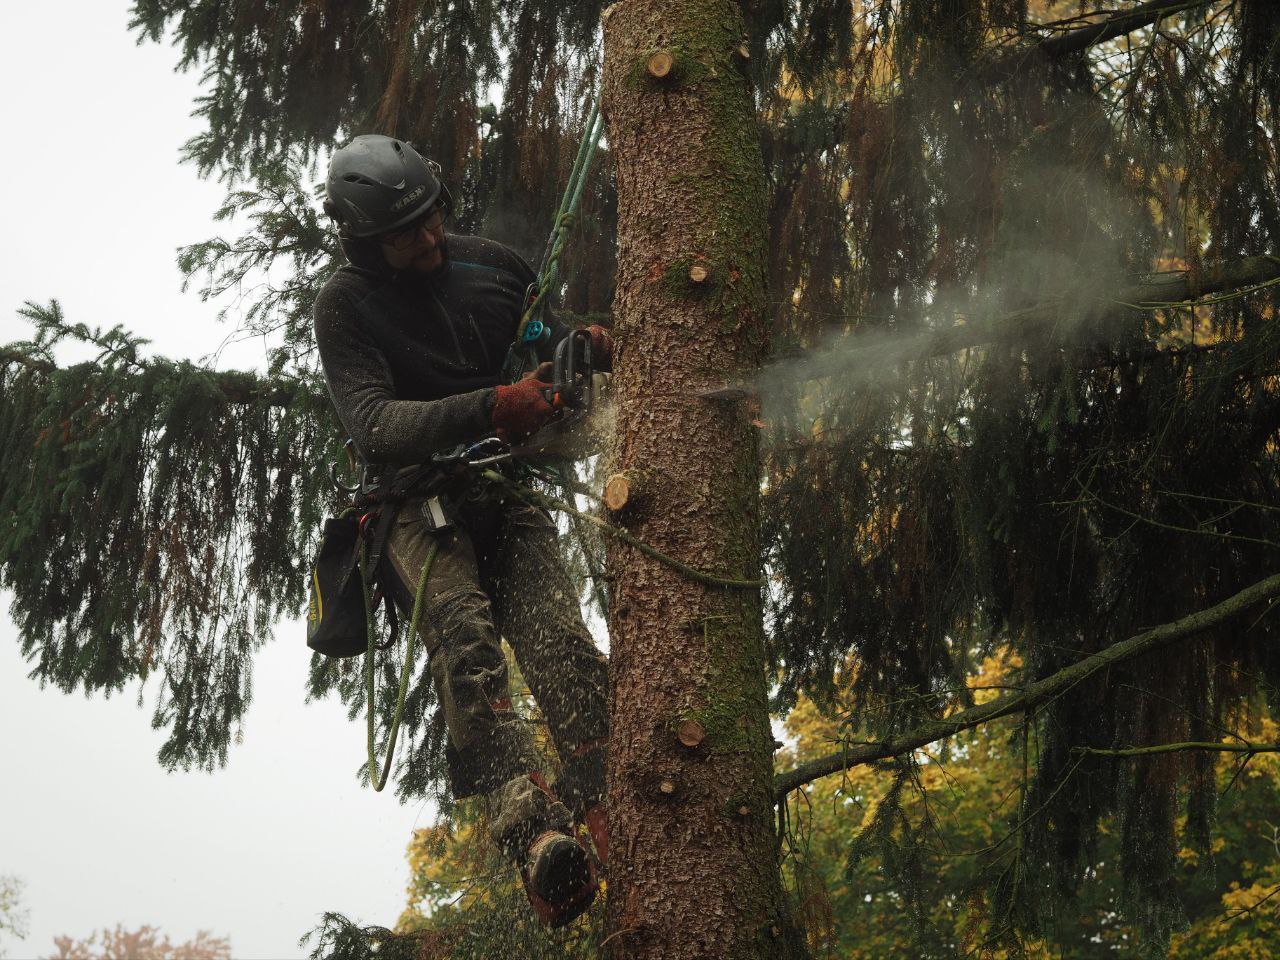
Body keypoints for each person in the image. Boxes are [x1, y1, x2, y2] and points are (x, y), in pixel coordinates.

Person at [313, 134, 610, 927]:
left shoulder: (496, 265)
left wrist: (575, 359)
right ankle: (533, 830)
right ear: (363, 238)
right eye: (408, 232)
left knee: (559, 641)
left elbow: (545, 349)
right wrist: (490, 406)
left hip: (503, 486)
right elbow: (374, 423)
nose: (431, 237)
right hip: (416, 502)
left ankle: (613, 791)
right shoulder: (344, 305)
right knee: (463, 635)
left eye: (433, 217)